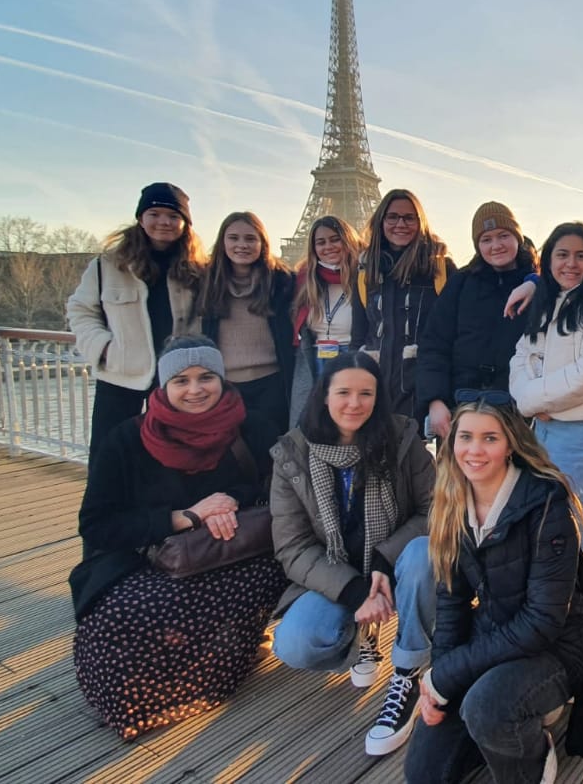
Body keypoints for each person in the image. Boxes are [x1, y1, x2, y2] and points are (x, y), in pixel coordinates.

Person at [68, 335, 287, 740]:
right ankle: (143, 699)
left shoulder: (253, 426)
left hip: (231, 555)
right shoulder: (125, 440)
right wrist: (184, 517)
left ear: (223, 379)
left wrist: (230, 502)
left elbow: (278, 488)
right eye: (181, 380)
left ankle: (225, 656)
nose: (195, 389)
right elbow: (96, 524)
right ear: (162, 387)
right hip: (147, 559)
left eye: (206, 377)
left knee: (271, 570)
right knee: (120, 620)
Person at [403, 398, 583, 784]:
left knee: (487, 709)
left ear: (510, 444)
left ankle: (535, 751)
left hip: (557, 646)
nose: (474, 450)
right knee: (424, 774)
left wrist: (450, 675)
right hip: (495, 634)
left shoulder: (546, 502)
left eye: (489, 438)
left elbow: (542, 622)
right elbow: (452, 603)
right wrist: (441, 677)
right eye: (466, 437)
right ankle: (510, 716)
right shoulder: (453, 501)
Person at [269, 351, 436, 758]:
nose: (354, 403)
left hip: (395, 566)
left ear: (379, 398)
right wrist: (355, 591)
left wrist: (382, 561)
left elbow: (435, 509)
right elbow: (292, 547)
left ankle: (408, 672)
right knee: (296, 644)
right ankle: (364, 632)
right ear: (324, 395)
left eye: (367, 393)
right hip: (339, 576)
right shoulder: (293, 453)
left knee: (424, 552)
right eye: (343, 392)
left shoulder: (403, 439)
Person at [509, 221, 583, 685]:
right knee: (548, 533)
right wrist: (531, 400)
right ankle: (563, 626)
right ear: (547, 260)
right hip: (544, 430)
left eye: (581, 255)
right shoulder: (546, 303)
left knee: (581, 535)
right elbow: (521, 357)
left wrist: (532, 398)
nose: (571, 264)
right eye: (562, 255)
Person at [67, 182, 204, 448]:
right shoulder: (106, 265)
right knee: (109, 457)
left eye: (174, 216)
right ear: (141, 219)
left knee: (170, 457)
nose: (164, 222)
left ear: (185, 223)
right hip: (121, 374)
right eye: (155, 214)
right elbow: (81, 310)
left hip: (175, 379)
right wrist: (103, 348)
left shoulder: (199, 269)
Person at [417, 202, 536, 441]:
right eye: (486, 239)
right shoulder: (460, 284)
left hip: (517, 407)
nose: (496, 246)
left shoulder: (537, 284)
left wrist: (537, 283)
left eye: (503, 236)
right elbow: (434, 344)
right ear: (477, 245)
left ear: (518, 237)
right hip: (460, 404)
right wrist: (435, 400)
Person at [198, 211, 296, 465]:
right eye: (234, 238)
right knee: (230, 457)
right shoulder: (205, 281)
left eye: (250, 239)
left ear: (263, 243)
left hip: (271, 382)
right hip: (225, 385)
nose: (242, 245)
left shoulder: (282, 282)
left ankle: (272, 504)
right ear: (223, 242)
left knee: (272, 456)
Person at [350, 190, 456, 423]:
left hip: (426, 393)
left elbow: (453, 334)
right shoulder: (364, 272)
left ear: (420, 222)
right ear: (381, 221)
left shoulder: (441, 269)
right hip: (376, 390)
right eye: (393, 217)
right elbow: (359, 337)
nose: (401, 224)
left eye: (409, 218)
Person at [290, 216, 364, 425]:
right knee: (315, 423)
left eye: (335, 239)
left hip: (353, 359)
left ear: (347, 240)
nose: (328, 246)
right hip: (315, 360)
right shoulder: (306, 281)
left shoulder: (365, 279)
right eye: (320, 242)